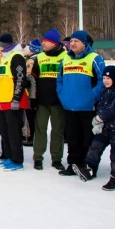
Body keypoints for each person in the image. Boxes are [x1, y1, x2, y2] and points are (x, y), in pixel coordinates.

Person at [56, 30, 106, 176]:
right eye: (71, 41)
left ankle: (88, 165)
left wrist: (92, 97)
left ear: (84, 43)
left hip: (87, 106)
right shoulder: (65, 59)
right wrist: (62, 95)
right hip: (69, 105)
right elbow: (59, 80)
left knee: (87, 138)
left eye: (76, 41)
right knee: (72, 137)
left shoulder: (94, 58)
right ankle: (73, 164)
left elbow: (102, 80)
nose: (72, 43)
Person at [73, 66, 115, 191]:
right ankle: (90, 169)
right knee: (95, 147)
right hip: (104, 127)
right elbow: (101, 105)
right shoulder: (105, 89)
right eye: (104, 78)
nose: (105, 80)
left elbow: (114, 109)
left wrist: (99, 118)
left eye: (108, 78)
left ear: (114, 78)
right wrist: (98, 120)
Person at [31, 29, 66, 171]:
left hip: (59, 102)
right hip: (42, 101)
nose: (43, 43)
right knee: (40, 130)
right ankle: (38, 158)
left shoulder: (66, 57)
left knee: (57, 131)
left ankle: (56, 159)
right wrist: (33, 98)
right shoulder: (39, 57)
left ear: (54, 43)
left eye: (46, 41)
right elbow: (33, 79)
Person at [0, 34, 29, 171]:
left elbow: (21, 78)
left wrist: (16, 98)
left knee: (14, 132)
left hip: (12, 100)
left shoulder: (16, 57)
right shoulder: (5, 57)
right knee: (5, 130)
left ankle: (17, 159)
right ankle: (8, 155)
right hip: (3, 98)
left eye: (0, 45)